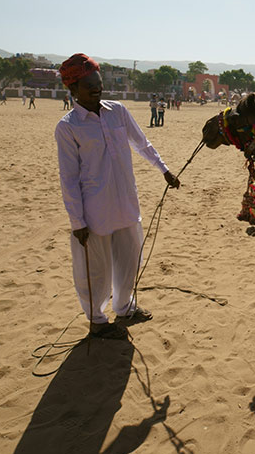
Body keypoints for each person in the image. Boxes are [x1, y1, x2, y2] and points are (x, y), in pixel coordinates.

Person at [55, 53, 181, 340]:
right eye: (89, 85)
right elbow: (69, 178)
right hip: (94, 211)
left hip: (126, 203)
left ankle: (124, 307)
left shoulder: (118, 111)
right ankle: (97, 320)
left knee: (128, 259)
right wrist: (78, 222)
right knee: (96, 270)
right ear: (73, 90)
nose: (96, 89)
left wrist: (164, 170)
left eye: (98, 83)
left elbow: (141, 143)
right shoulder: (68, 127)